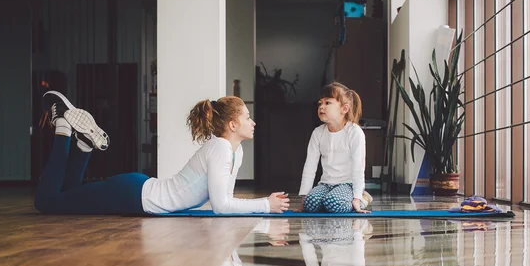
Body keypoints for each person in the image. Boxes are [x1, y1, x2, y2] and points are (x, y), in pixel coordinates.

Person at [34, 90, 289, 215]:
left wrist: (261, 205)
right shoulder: (221, 148)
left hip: (137, 191)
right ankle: (64, 128)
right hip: (133, 195)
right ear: (233, 125)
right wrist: (265, 204)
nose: (253, 122)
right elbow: (222, 206)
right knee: (47, 203)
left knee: (65, 197)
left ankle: (83, 147)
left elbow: (224, 201)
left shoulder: (235, 151)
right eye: (247, 117)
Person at [297, 82, 372, 213]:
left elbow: (358, 167)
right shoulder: (318, 133)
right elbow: (310, 165)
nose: (322, 107)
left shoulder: (354, 132)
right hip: (326, 184)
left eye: (328, 103)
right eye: (320, 103)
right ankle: (327, 199)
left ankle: (364, 198)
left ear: (344, 109)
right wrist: (304, 196)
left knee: (334, 204)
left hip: (347, 184)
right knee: (310, 203)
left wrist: (356, 197)